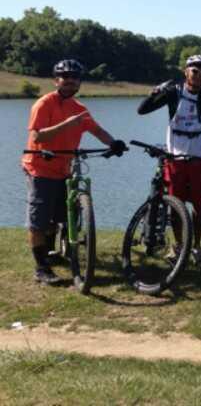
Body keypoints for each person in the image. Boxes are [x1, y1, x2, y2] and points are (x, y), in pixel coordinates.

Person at [21, 59, 126, 285]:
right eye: (65, 77)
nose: (70, 81)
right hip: (39, 167)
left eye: (74, 78)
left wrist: (113, 143)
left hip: (63, 168)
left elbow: (96, 130)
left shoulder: (79, 109)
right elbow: (38, 137)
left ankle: (52, 252)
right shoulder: (43, 104)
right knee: (39, 220)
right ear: (56, 80)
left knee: (58, 216)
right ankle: (41, 268)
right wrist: (66, 125)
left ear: (79, 82)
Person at [137, 54, 201, 264]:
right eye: (195, 71)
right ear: (186, 72)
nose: (199, 76)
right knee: (176, 204)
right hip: (175, 155)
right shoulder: (174, 93)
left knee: (199, 205)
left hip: (199, 155)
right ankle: (178, 246)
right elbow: (142, 110)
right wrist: (156, 91)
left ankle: (196, 246)